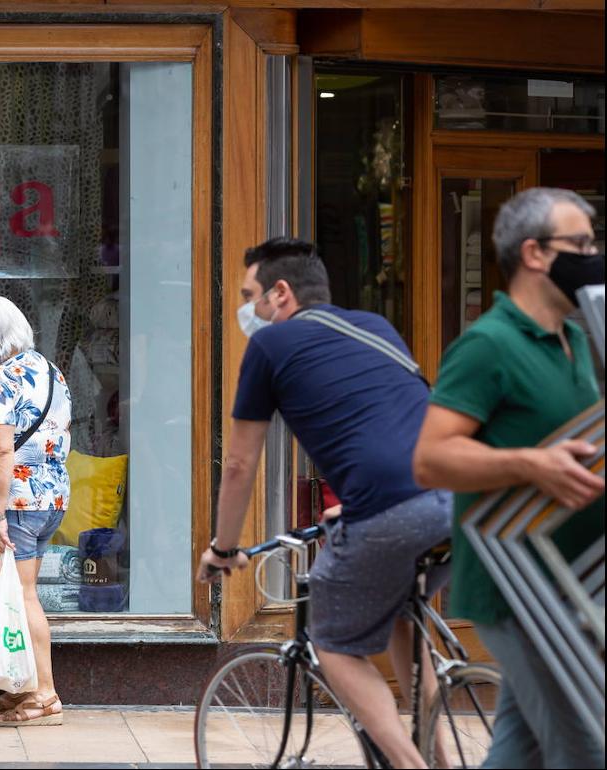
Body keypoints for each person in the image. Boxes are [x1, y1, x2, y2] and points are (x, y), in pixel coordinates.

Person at [196, 237, 451, 768]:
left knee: (335, 646)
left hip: (390, 508)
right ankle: (444, 759)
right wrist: (352, 504)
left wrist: (224, 548)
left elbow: (240, 464)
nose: (248, 310)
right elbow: (404, 418)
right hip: (452, 498)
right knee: (400, 615)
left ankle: (411, 765)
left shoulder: (270, 348)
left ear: (281, 294)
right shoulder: (376, 328)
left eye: (250, 296)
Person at [413, 187, 605, 768]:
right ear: (535, 254)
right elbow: (430, 459)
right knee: (585, 749)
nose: (593, 255)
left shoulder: (578, 337)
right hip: (519, 592)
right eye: (582, 243)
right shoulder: (488, 346)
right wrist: (529, 463)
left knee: (520, 750)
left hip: (574, 583)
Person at [0, 296, 72, 727]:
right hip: (48, 497)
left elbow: (0, 446)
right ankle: (17, 689)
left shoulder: (0, 379)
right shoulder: (48, 371)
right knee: (10, 594)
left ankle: (43, 694)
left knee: (21, 597)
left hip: (17, 504)